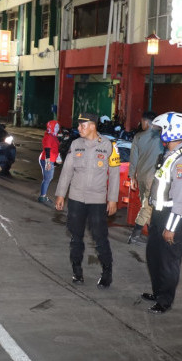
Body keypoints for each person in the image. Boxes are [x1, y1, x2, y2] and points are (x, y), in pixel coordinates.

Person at [55, 112, 120, 288]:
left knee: (100, 238)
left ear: (92, 126)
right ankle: (77, 271)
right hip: (76, 198)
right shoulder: (75, 145)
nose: (79, 128)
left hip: (97, 200)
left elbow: (114, 175)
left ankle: (107, 272)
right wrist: (61, 194)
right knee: (76, 237)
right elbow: (67, 171)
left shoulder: (109, 146)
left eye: (82, 125)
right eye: (79, 125)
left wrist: (112, 199)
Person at [142, 112, 182, 314]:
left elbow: (180, 198)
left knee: (168, 261)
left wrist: (170, 228)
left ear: (173, 131)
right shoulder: (168, 156)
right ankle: (158, 292)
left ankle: (165, 301)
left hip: (174, 217)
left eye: (163, 129)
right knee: (154, 255)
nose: (160, 133)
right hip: (160, 213)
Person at [128, 111, 162, 244]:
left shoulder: (138, 137)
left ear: (147, 122)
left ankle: (151, 235)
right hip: (153, 178)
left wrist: (132, 177)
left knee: (146, 205)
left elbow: (133, 159)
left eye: (142, 122)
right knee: (147, 207)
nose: (141, 124)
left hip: (141, 176)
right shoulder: (161, 137)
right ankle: (135, 236)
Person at [38, 120, 61, 205]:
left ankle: (42, 196)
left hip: (51, 159)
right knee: (47, 178)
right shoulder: (48, 137)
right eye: (56, 127)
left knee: (48, 178)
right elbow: (47, 150)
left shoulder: (52, 135)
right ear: (51, 127)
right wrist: (48, 163)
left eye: (58, 127)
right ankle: (42, 197)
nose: (57, 128)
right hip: (47, 159)